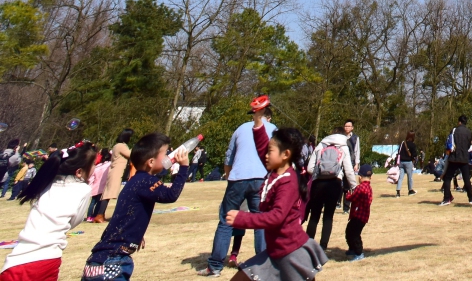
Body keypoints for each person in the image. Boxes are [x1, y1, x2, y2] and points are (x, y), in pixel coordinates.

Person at [82, 133, 189, 281]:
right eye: (166, 154)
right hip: (112, 263)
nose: (170, 158)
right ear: (151, 162)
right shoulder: (146, 181)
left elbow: (126, 214)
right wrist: (184, 168)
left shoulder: (136, 181)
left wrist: (136, 233)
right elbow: (171, 195)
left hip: (101, 259)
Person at [226, 127, 328, 281]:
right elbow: (262, 149)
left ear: (286, 154)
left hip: (292, 253)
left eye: (270, 152)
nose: (265, 156)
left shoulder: (288, 181)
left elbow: (276, 217)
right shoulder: (274, 173)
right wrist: (258, 122)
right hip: (274, 253)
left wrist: (242, 219)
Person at [200, 99, 277, 277]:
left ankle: (215, 266)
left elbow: (229, 156)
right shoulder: (273, 129)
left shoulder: (241, 128)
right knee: (261, 222)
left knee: (226, 221)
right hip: (261, 178)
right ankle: (264, 264)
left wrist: (230, 176)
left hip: (238, 178)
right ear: (268, 116)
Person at [1, 143, 96, 281]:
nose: (95, 167)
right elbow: (75, 221)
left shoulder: (46, 184)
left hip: (15, 260)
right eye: (94, 164)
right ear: (79, 172)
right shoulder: (83, 189)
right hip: (45, 260)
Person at [305, 126, 358, 249]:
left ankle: (307, 245)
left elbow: (309, 168)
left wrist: (318, 173)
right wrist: (354, 186)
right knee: (328, 216)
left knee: (314, 216)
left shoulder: (321, 145)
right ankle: (323, 245)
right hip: (334, 183)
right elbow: (349, 170)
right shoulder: (343, 146)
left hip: (318, 183)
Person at [94, 129, 133, 224]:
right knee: (109, 193)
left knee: (108, 193)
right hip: (117, 171)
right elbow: (131, 155)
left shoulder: (117, 145)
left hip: (115, 170)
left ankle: (100, 214)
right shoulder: (121, 146)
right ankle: (99, 215)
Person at [440, 115, 472, 207]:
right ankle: (471, 198)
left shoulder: (454, 130)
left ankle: (447, 198)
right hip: (464, 157)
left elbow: (449, 143)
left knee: (447, 178)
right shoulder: (469, 132)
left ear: (459, 121)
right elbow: (469, 145)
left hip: (454, 157)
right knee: (466, 179)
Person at [344, 165, 373, 261]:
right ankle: (352, 249)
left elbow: (352, 198)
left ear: (359, 177)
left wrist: (348, 194)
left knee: (353, 234)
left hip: (357, 215)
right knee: (351, 231)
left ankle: (359, 252)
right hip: (364, 217)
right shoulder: (369, 188)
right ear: (371, 177)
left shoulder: (360, 188)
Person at [340, 120, 360, 215]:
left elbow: (357, 151)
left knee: (348, 186)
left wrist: (356, 163)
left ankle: (346, 207)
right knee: (339, 184)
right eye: (346, 126)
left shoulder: (355, 138)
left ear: (352, 127)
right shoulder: (340, 137)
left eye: (349, 126)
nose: (347, 127)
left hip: (350, 163)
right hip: (340, 163)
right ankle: (337, 202)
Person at [86, 149, 112, 222]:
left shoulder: (98, 166)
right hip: (102, 187)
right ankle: (95, 215)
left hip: (94, 187)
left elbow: (92, 178)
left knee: (92, 202)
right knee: (99, 202)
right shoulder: (109, 165)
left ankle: (89, 216)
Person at [395, 132, 417, 198]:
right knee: (409, 177)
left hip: (401, 162)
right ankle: (410, 190)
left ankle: (398, 192)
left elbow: (399, 152)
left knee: (400, 177)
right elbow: (414, 154)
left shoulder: (402, 143)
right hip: (408, 162)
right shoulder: (412, 145)